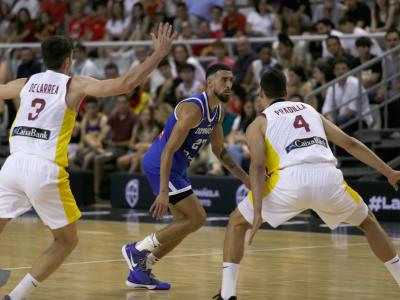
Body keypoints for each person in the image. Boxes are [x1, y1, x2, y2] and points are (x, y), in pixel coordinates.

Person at [0, 23, 175, 299]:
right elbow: (126, 84)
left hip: (11, 165)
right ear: (69, 60)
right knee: (66, 241)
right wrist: (158, 54)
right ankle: (16, 296)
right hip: (44, 168)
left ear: (44, 58)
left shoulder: (26, 82)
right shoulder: (74, 84)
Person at [214, 68, 400, 300]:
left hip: (289, 181)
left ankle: (228, 294)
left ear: (261, 93)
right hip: (327, 177)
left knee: (236, 223)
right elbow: (350, 144)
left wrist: (259, 210)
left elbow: (258, 167)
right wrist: (389, 172)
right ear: (287, 90)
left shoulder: (258, 123)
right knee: (368, 222)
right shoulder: (310, 110)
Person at [121, 64, 250, 290]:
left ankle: (141, 270)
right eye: (223, 80)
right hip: (161, 163)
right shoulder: (194, 109)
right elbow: (168, 151)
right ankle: (137, 249)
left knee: (184, 223)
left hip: (177, 168)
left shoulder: (217, 111)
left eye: (231, 80)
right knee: (197, 218)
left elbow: (219, 151)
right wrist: (163, 192)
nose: (229, 85)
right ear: (209, 83)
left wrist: (245, 178)